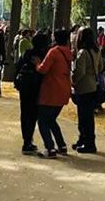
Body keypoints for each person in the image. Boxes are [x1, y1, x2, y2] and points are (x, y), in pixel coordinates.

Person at [34, 28, 72, 158]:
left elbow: (43, 69)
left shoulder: (54, 52)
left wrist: (37, 64)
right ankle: (61, 145)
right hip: (64, 89)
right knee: (51, 120)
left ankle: (50, 148)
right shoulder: (68, 52)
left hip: (51, 90)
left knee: (42, 120)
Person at [15, 32, 49, 154]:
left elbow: (17, 66)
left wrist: (16, 82)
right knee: (33, 114)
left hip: (24, 86)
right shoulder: (44, 55)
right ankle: (28, 140)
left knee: (24, 113)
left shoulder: (27, 53)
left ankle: (26, 140)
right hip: (36, 86)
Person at [71, 27, 103, 153]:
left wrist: (73, 80)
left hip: (83, 87)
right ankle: (85, 140)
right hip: (93, 86)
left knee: (83, 117)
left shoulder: (82, 52)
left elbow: (80, 71)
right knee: (88, 116)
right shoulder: (96, 51)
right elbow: (101, 67)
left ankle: (88, 142)